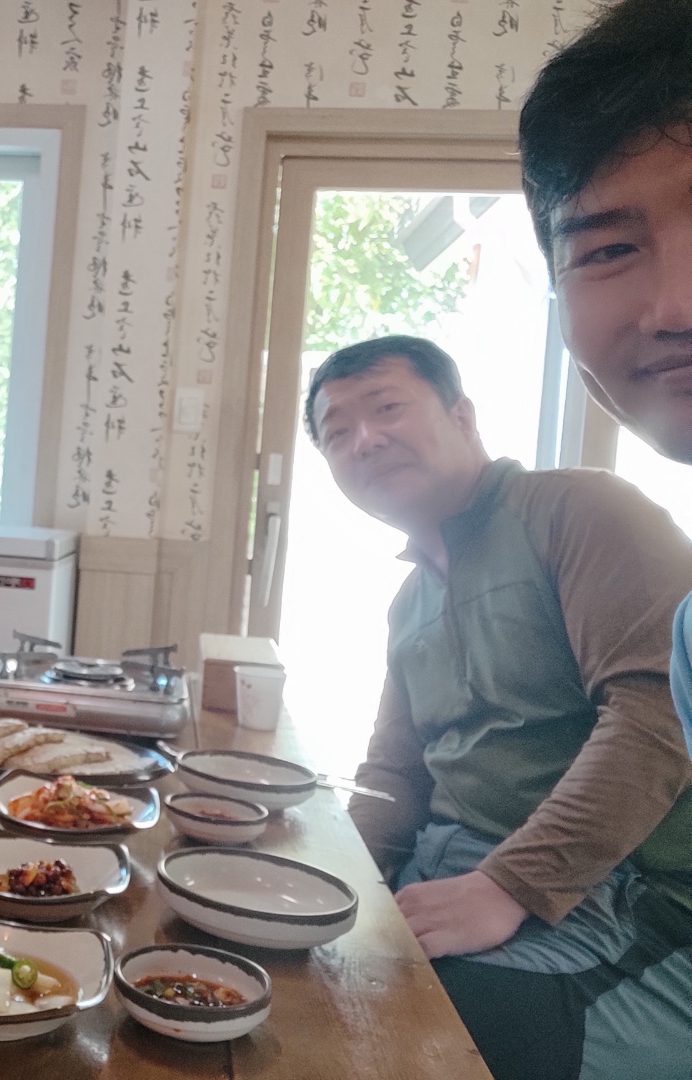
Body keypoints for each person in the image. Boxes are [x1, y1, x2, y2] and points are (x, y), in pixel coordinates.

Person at [304, 334, 692, 1080]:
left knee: (416, 1034)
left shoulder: (580, 510)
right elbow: (395, 773)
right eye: (337, 432)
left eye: (386, 408)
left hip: (629, 894)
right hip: (455, 866)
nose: (365, 440)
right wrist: (334, 880)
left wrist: (509, 884)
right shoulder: (409, 601)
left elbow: (657, 713)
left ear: (463, 414)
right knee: (290, 970)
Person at [518, 0, 692, 759]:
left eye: (388, 406)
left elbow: (641, 736)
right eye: (608, 250)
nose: (676, 307)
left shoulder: (577, 515)